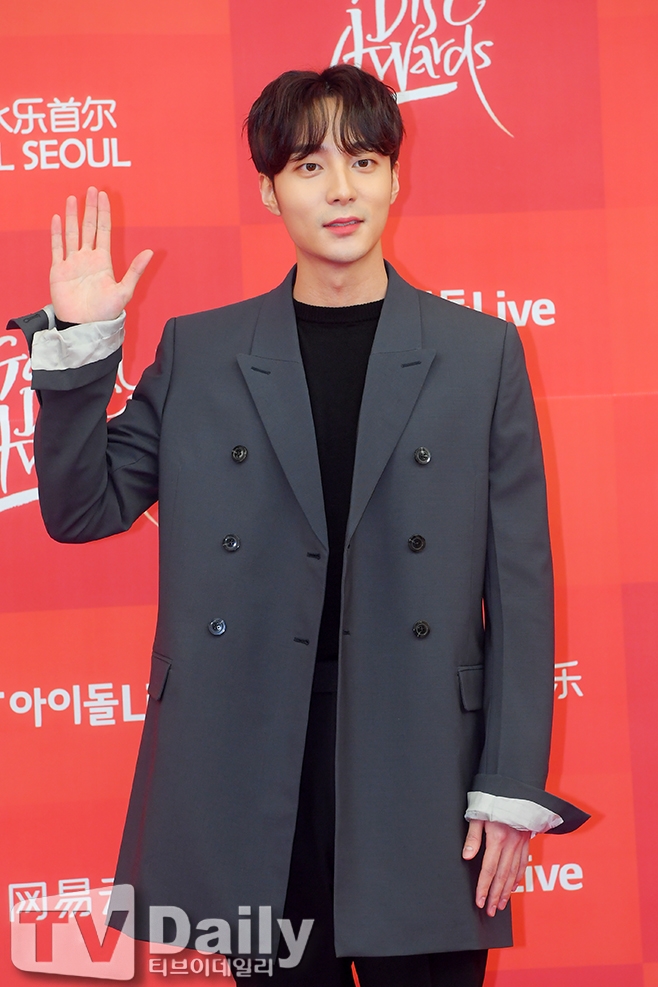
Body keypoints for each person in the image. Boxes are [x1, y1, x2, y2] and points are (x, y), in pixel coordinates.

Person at [8, 65, 588, 987]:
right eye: (310, 166)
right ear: (270, 192)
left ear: (394, 177)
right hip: (251, 765)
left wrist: (510, 784)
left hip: (425, 763)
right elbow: (81, 509)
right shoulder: (202, 351)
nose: (341, 189)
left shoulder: (480, 355)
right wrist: (81, 348)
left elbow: (520, 586)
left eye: (363, 161)